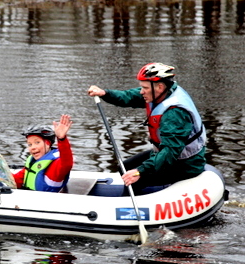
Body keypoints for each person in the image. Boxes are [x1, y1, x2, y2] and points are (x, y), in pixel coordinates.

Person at [87, 62, 206, 190]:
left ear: (159, 87)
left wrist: (140, 171)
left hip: (185, 163)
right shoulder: (161, 93)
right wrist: (105, 93)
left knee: (134, 179)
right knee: (125, 167)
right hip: (166, 154)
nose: (142, 92)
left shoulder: (174, 114)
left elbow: (169, 153)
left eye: (145, 88)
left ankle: (130, 205)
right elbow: (129, 97)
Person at [0, 114, 74, 192]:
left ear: (47, 144)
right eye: (29, 144)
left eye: (37, 142)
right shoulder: (33, 162)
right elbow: (15, 182)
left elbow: (67, 163)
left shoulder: (55, 166)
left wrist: (61, 139)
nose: (33, 147)